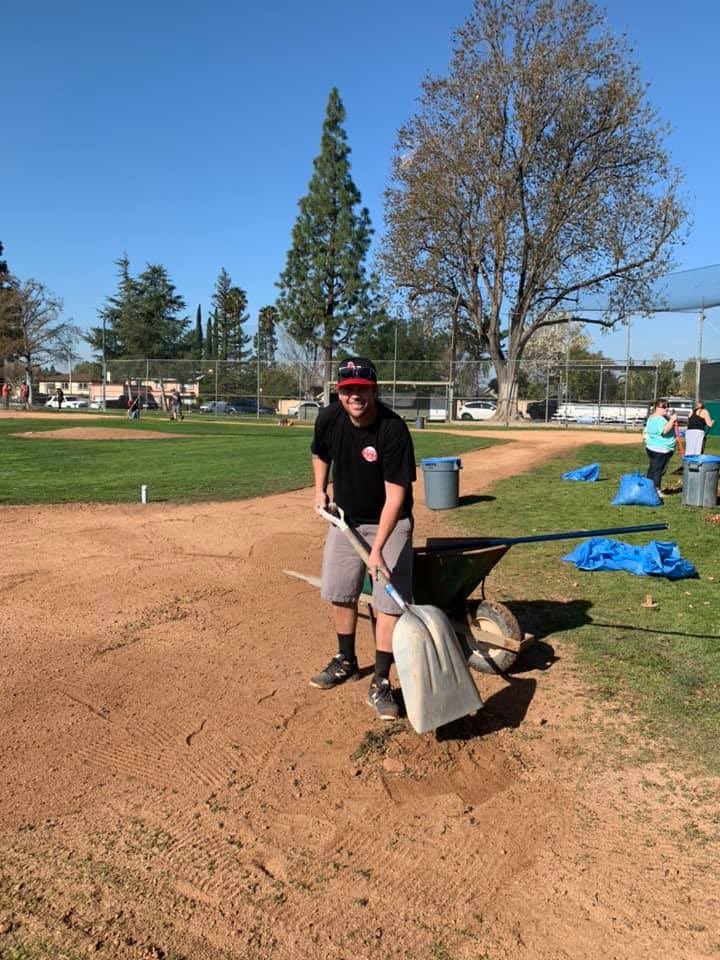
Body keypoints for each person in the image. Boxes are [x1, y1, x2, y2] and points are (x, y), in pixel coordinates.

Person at [309, 357, 416, 721]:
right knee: (341, 590)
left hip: (391, 521)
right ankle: (346, 660)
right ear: (340, 393)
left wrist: (379, 550)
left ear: (375, 391)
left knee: (387, 601)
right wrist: (320, 490)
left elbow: (396, 497)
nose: (356, 396)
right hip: (346, 520)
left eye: (363, 389)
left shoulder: (393, 430)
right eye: (348, 389)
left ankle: (382, 682)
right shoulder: (329, 418)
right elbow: (320, 452)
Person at [643, 398, 678, 495]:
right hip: (660, 450)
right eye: (663, 407)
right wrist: (672, 420)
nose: (666, 409)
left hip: (652, 448)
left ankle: (648, 488)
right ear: (656, 407)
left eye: (667, 407)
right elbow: (664, 431)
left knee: (653, 469)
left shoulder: (651, 418)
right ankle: (656, 490)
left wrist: (669, 419)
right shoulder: (659, 419)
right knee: (658, 470)